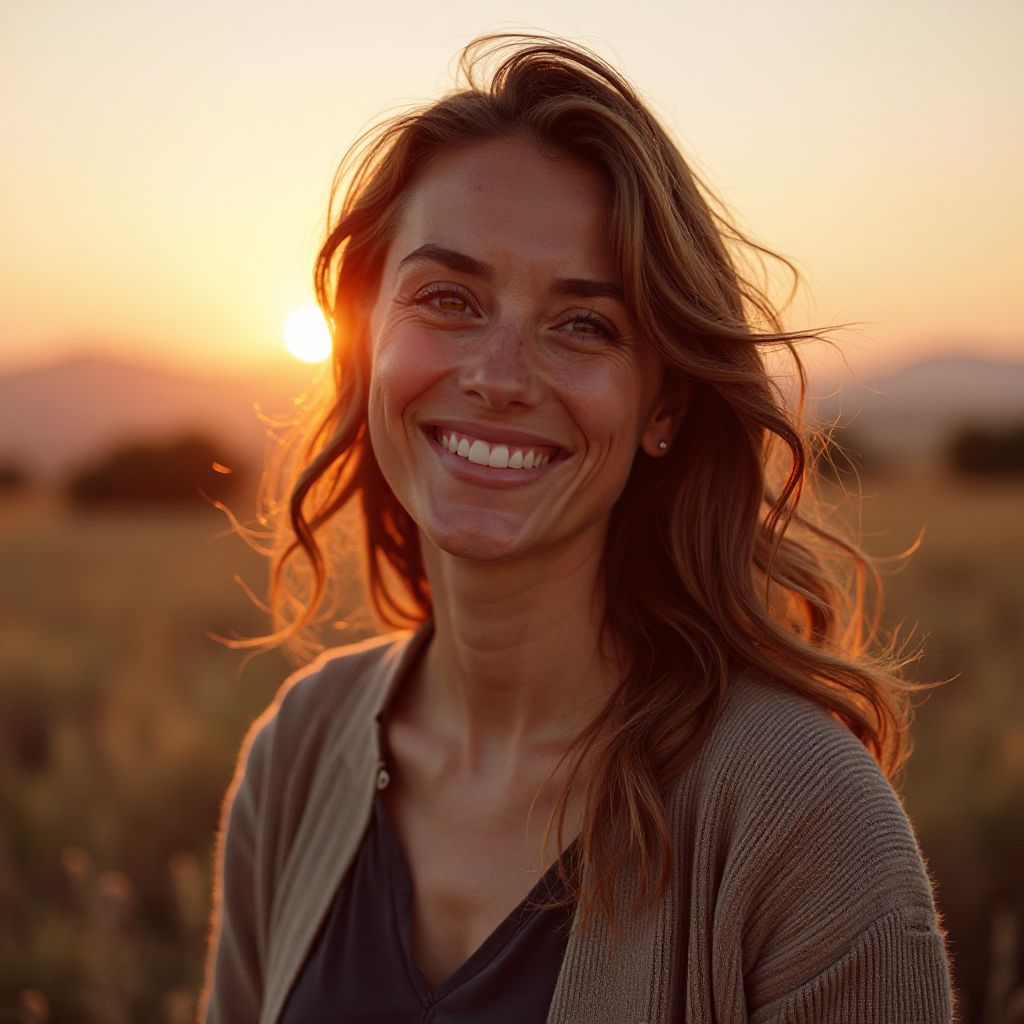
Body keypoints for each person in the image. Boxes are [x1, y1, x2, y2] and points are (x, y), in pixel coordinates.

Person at [198, 33, 955, 1023]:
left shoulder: (803, 821)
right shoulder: (300, 748)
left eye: (584, 324)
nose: (499, 376)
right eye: (448, 299)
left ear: (663, 406)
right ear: (366, 338)